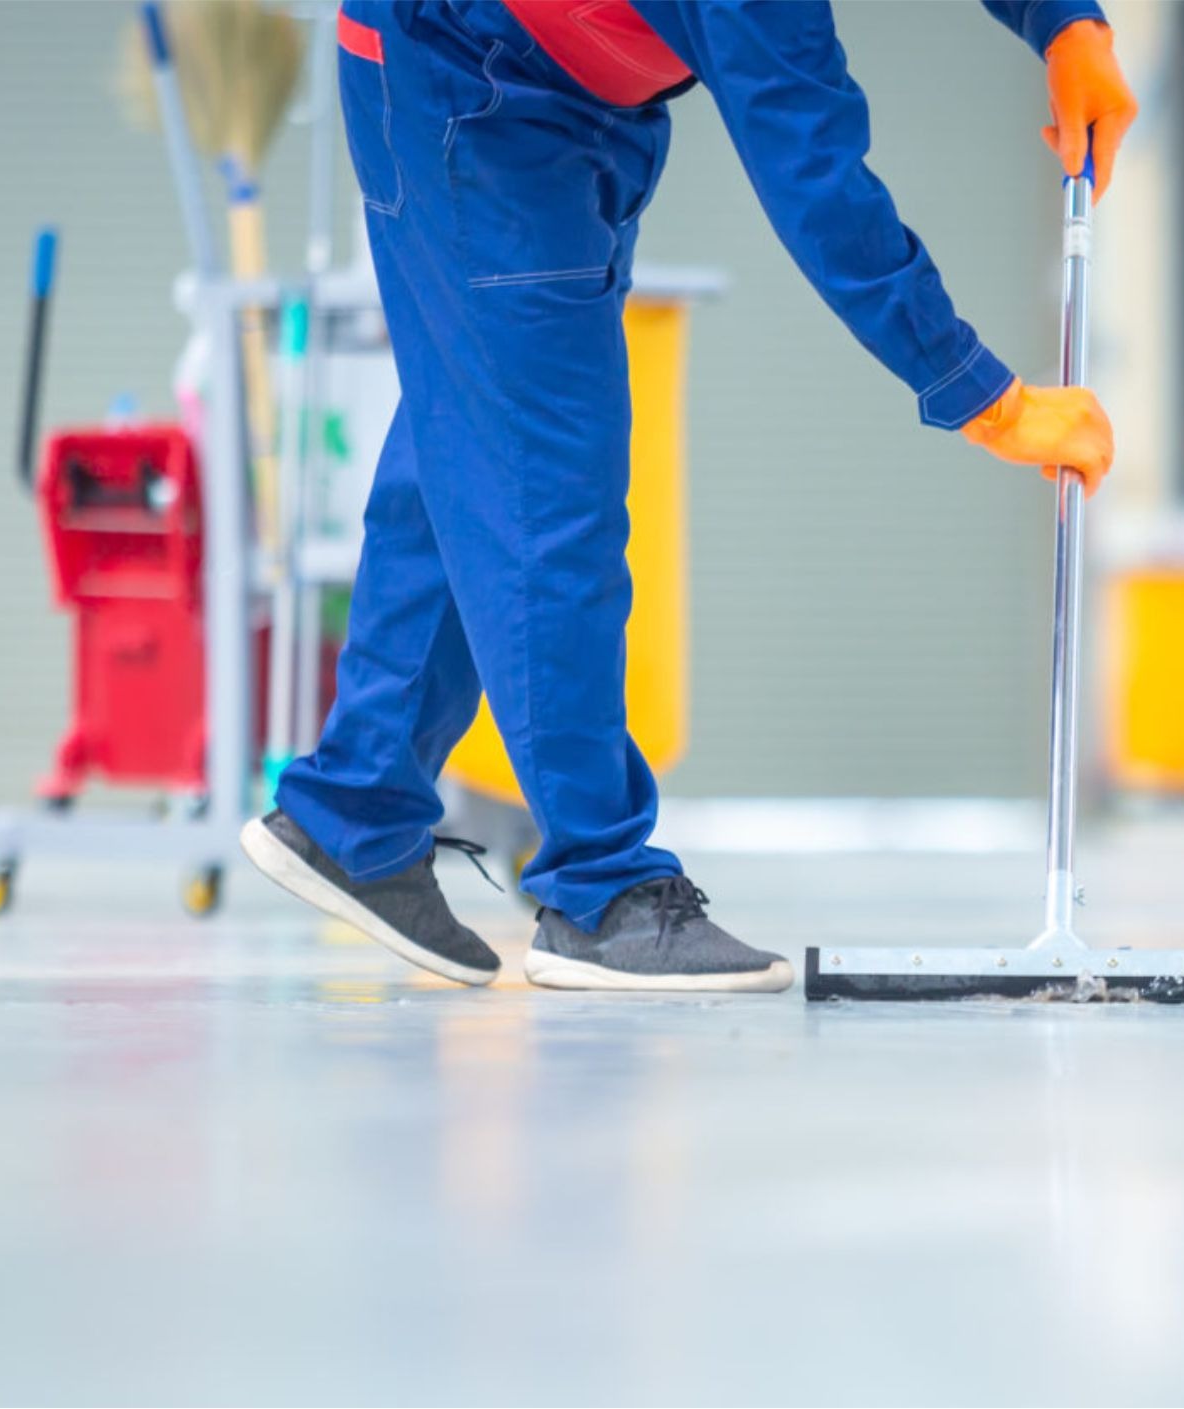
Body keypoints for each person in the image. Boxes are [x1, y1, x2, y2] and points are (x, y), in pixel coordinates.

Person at [240, 0, 1137, 992]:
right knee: (547, 486)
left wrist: (1065, 27)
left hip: (557, 90)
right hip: (465, 86)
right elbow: (818, 183)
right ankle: (600, 893)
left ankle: (354, 807)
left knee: (480, 439)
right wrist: (990, 400)